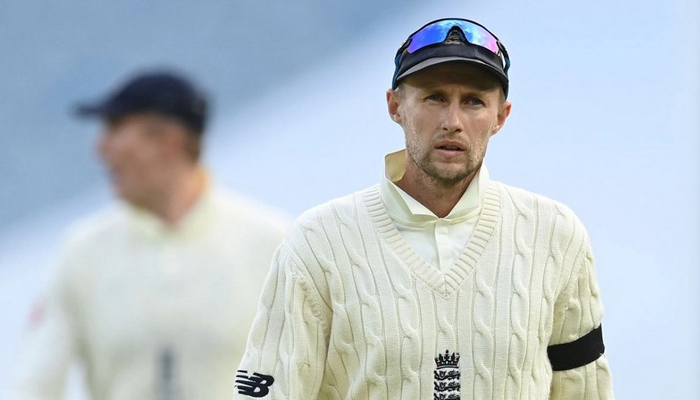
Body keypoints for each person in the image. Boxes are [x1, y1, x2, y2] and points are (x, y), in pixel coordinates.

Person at [232, 18, 614, 399]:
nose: (453, 122)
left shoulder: (555, 235)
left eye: (474, 101)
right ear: (395, 106)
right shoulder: (319, 241)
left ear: (501, 116)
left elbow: (587, 392)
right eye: (434, 98)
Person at [12, 70, 289, 399]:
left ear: (167, 141)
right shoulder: (82, 253)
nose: (100, 148)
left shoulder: (273, 245)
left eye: (114, 127)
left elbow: (318, 377)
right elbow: (34, 387)